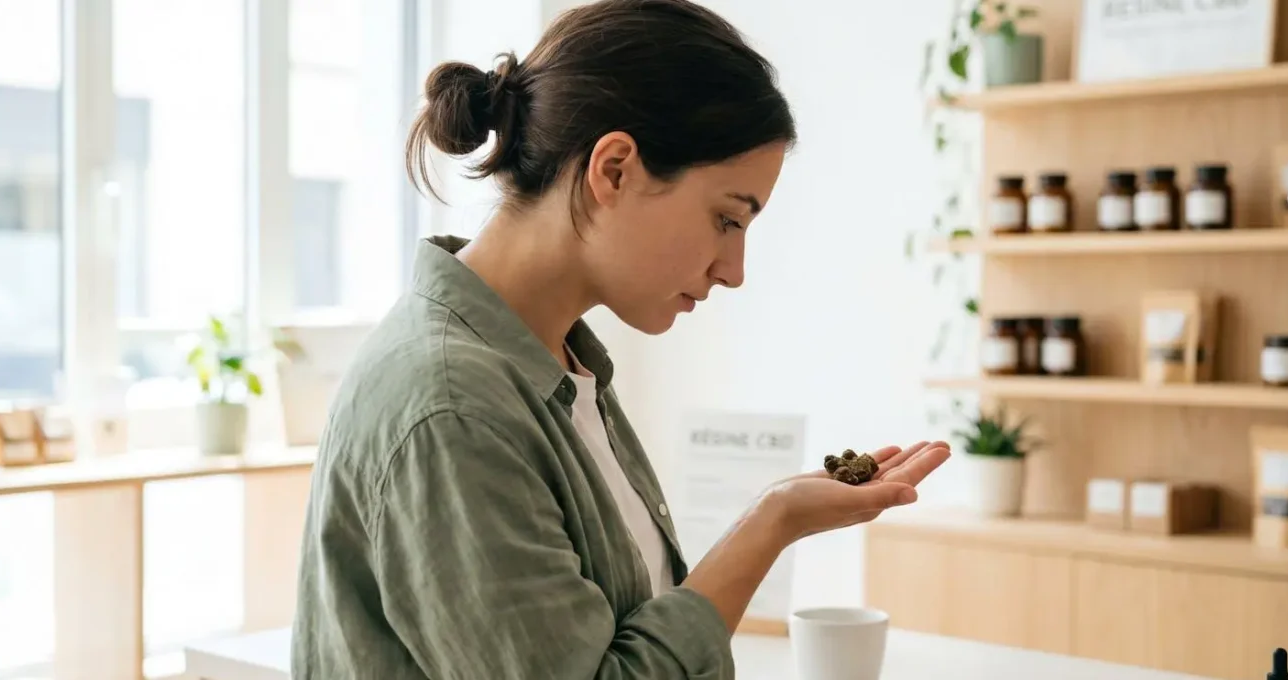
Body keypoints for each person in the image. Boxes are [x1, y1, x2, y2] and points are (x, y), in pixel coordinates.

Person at [289, 0, 951, 678]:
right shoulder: (452, 406)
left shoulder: (559, 369)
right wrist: (773, 522)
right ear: (613, 170)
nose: (735, 271)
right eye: (727, 219)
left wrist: (778, 515)